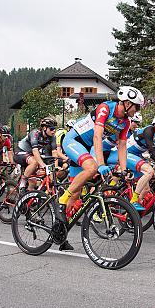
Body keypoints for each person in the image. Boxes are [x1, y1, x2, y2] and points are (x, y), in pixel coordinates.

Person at [59, 86, 143, 250]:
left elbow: (122, 146)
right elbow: (97, 136)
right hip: (73, 140)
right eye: (137, 106)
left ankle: (60, 232)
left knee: (75, 197)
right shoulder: (106, 108)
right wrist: (102, 164)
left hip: (84, 147)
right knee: (92, 168)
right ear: (126, 103)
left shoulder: (125, 122)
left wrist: (124, 170)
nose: (137, 110)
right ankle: (61, 200)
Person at [118, 109, 155, 211]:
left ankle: (132, 213)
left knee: (146, 189)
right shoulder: (149, 131)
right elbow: (153, 154)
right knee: (149, 171)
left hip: (136, 155)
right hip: (125, 154)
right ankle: (133, 201)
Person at [14, 117, 58, 192]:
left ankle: (27, 199)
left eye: (54, 129)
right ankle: (23, 181)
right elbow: (35, 151)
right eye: (51, 129)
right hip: (20, 152)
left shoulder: (52, 137)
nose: (53, 131)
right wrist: (43, 165)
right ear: (44, 128)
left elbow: (54, 153)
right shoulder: (35, 133)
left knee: (33, 182)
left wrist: (55, 166)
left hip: (31, 155)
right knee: (35, 162)